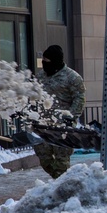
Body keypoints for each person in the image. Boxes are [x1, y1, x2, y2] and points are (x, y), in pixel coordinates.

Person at [34, 45, 86, 179]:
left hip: (63, 126)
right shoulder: (40, 76)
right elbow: (33, 96)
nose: (44, 63)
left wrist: (71, 117)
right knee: (44, 157)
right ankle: (59, 179)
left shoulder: (72, 77)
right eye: (43, 60)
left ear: (56, 60)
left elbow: (79, 98)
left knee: (61, 161)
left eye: (47, 60)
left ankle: (62, 186)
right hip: (43, 124)